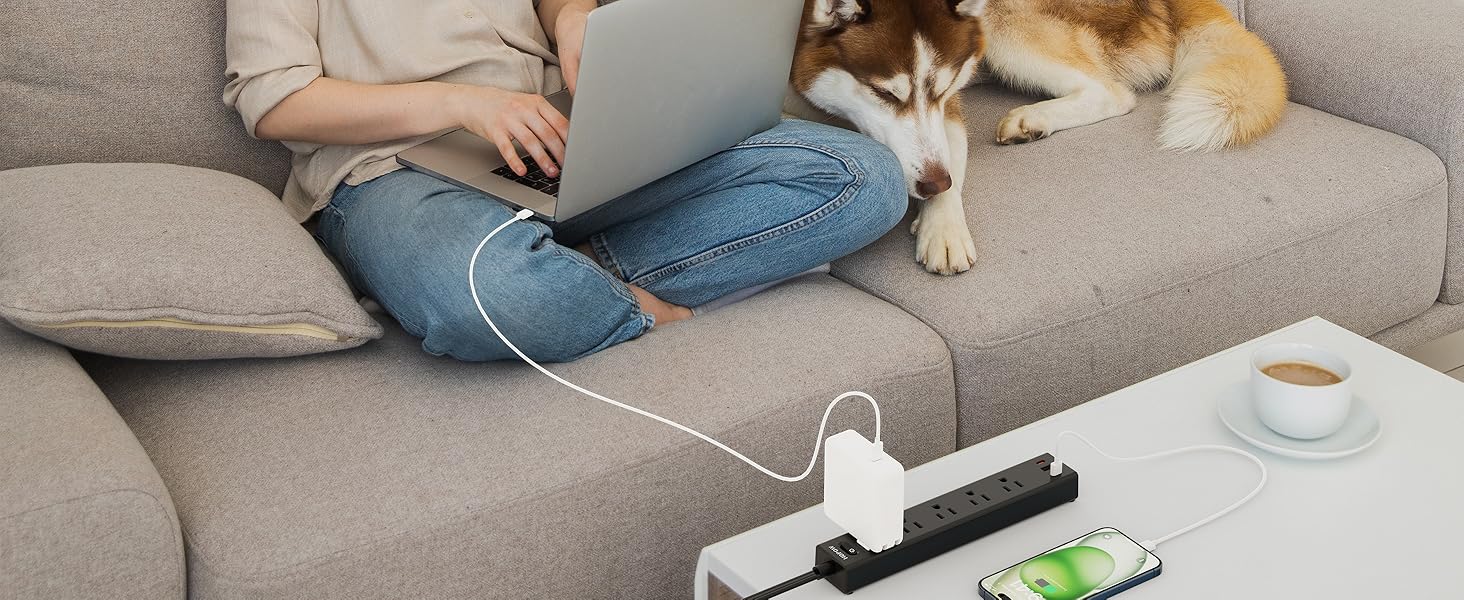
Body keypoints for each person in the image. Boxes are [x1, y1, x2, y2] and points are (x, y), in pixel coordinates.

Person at [224, 0, 908, 362]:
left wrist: (575, 19)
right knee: (488, 292)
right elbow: (273, 100)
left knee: (865, 178)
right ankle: (619, 303)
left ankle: (569, 278)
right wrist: (463, 105)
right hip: (392, 172)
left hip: (564, 124)